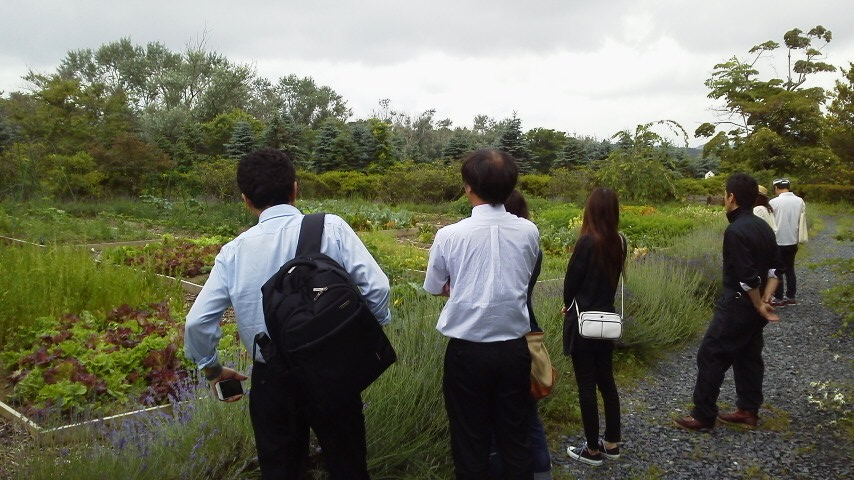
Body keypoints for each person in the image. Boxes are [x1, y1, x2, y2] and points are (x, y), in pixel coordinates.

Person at [184, 148, 391, 480]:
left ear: (245, 200)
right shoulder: (330, 227)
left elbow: (196, 321)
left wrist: (212, 369)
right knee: (348, 463)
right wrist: (359, 341)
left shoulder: (233, 252)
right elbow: (378, 288)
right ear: (295, 188)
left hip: (272, 376)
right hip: (331, 367)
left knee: (281, 470)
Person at [423, 149, 540, 479]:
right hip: (514, 350)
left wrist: (460, 288)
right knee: (515, 439)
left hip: (467, 353)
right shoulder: (528, 231)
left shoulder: (450, 235)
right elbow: (521, 275)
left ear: (469, 187)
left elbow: (434, 286)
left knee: (469, 442)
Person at [676, 173, 784, 432]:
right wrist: (766, 298)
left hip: (738, 303)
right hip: (755, 305)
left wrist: (758, 303)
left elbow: (747, 278)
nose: (724, 199)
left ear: (731, 197)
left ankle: (703, 415)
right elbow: (775, 270)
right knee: (748, 355)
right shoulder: (763, 227)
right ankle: (748, 410)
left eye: (725, 195)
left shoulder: (735, 231)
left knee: (711, 354)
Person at [489, 189, 552, 479]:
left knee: (491, 416)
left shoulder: (499, 249)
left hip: (500, 335)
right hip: (528, 330)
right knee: (527, 415)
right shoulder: (531, 247)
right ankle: (541, 472)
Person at [561, 187, 626, 467]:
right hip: (607, 321)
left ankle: (591, 449)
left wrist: (567, 304)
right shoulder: (620, 241)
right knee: (607, 382)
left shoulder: (587, 241)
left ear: (591, 210)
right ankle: (612, 443)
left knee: (586, 385)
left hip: (584, 322)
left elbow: (571, 282)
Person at [768, 178, 806, 307]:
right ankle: (791, 297)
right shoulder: (799, 201)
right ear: (788, 187)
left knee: (777, 270)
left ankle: (778, 298)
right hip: (792, 240)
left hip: (777, 240)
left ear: (776, 188)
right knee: (790, 269)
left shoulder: (773, 202)